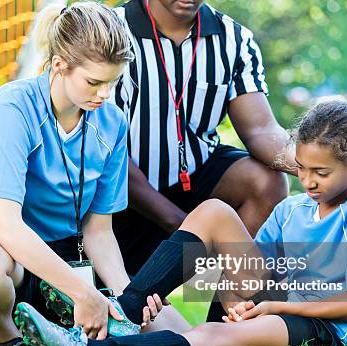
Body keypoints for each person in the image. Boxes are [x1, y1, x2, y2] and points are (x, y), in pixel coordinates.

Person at [15, 100, 347, 346]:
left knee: (211, 337)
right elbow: (255, 272)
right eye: (301, 168)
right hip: (278, 306)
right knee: (215, 212)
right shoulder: (293, 209)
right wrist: (240, 303)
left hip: (326, 329)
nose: (306, 181)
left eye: (321, 172)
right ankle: (126, 312)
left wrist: (273, 309)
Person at [0, 2, 148, 346]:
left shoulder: (112, 123)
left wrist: (123, 299)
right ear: (59, 66)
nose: (103, 94)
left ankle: (59, 336)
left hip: (69, 263)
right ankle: (13, 344)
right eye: (93, 82)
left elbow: (99, 232)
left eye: (112, 82)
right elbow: (3, 224)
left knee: (163, 330)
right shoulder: (12, 107)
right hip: (8, 257)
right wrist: (83, 293)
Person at [109, 0, 293, 323]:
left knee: (268, 181)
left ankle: (226, 318)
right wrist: (186, 225)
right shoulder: (110, 30)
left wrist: (316, 162)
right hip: (121, 198)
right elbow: (107, 154)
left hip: (197, 180)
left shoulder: (234, 39)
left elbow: (262, 129)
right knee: (111, 312)